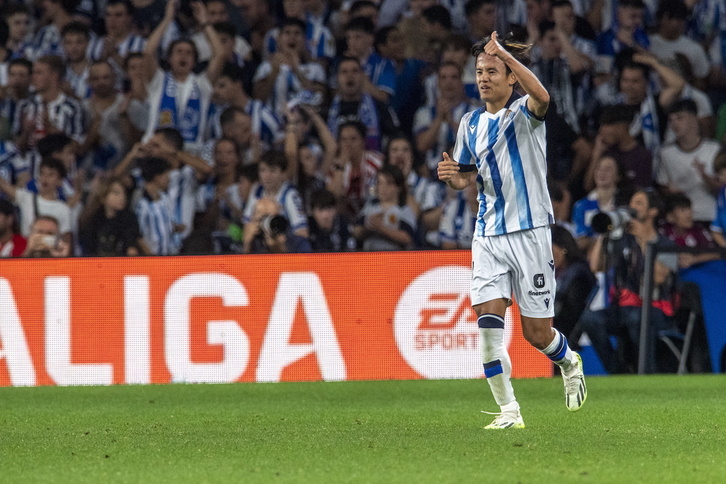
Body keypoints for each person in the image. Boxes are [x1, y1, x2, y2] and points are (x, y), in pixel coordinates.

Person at [437, 32, 586, 429]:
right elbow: (467, 178)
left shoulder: (524, 112)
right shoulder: (469, 123)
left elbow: (545, 98)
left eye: (492, 71)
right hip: (487, 235)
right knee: (488, 331)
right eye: (480, 71)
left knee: (537, 335)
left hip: (531, 234)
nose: (483, 78)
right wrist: (452, 176)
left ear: (510, 78)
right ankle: (509, 412)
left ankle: (569, 360)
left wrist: (503, 50)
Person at [579, 189, 678, 374]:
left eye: (639, 203)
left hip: (655, 310)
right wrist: (604, 232)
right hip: (624, 309)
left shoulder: (667, 244)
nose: (633, 207)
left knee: (636, 317)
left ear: (653, 211)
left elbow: (658, 278)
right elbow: (596, 266)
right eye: (632, 203)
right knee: (590, 319)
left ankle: (646, 373)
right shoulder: (624, 240)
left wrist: (643, 241)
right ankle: (617, 372)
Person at [551, 223, 596, 342]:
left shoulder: (577, 275)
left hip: (562, 333)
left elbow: (570, 314)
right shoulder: (552, 273)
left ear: (563, 247)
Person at [79, 176, 143, 256]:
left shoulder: (129, 218)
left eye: (124, 193)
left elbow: (131, 248)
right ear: (103, 197)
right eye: (116, 193)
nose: (122, 197)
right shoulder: (92, 220)